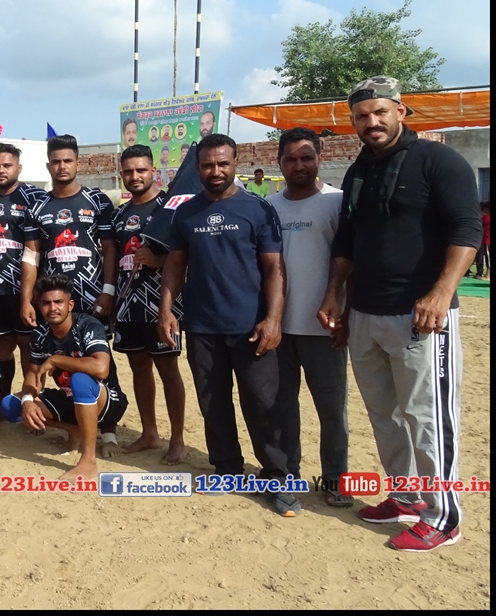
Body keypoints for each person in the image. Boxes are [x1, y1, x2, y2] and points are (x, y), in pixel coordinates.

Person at [318, 76, 481, 551]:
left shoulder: (438, 161)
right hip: (367, 312)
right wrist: (335, 295)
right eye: (362, 116)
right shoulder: (359, 171)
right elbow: (348, 239)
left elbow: (468, 228)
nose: (371, 122)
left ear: (400, 112)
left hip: (421, 313)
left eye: (380, 112)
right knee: (385, 415)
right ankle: (407, 496)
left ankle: (443, 517)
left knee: (427, 417)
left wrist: (441, 292)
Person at [157, 133, 298, 517]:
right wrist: (166, 311)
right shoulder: (186, 212)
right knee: (213, 403)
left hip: (251, 326)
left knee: (263, 403)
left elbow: (275, 268)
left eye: (223, 163)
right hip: (202, 326)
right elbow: (174, 265)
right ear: (198, 167)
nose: (215, 171)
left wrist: (274, 319)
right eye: (208, 165)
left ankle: (277, 479)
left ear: (236, 163)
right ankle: (227, 470)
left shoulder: (257, 209)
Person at [21, 134, 123, 455]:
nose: (62, 166)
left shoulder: (97, 200)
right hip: (53, 300)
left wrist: (108, 291)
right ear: (48, 165)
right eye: (56, 161)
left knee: (101, 360)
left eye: (67, 161)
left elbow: (109, 249)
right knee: (60, 359)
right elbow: (31, 256)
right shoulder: (37, 206)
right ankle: (75, 424)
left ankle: (109, 429)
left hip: (92, 298)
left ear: (78, 163)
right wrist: (27, 298)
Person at [266, 127, 352, 507]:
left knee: (332, 411)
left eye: (306, 157)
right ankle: (289, 476)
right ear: (279, 162)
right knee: (282, 408)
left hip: (325, 329)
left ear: (320, 157)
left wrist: (346, 314)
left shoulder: (337, 202)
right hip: (279, 329)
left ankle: (335, 478)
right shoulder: (268, 206)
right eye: (290, 159)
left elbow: (352, 261)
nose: (298, 165)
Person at [2, 275, 126, 481]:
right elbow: (34, 374)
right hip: (71, 398)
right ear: (39, 306)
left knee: (80, 379)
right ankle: (74, 429)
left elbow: (101, 368)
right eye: (46, 303)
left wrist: (57, 360)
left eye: (58, 302)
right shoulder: (40, 333)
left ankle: (88, 461)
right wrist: (28, 400)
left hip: (107, 402)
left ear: (70, 305)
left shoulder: (88, 325)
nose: (52, 308)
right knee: (10, 405)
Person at [111, 145, 188, 465]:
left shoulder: (170, 208)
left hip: (161, 304)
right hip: (128, 304)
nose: (135, 176)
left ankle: (178, 439)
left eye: (141, 170)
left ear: (153, 171)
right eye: (128, 171)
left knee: (168, 369)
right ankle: (149, 432)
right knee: (138, 367)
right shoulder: (119, 215)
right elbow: (114, 259)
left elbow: (187, 255)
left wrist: (158, 260)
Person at [0, 143, 49, 402]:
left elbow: (41, 244)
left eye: (7, 165)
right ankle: (2, 403)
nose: (1, 170)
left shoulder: (35, 198)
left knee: (29, 345)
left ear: (19, 168)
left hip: (24, 288)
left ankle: (31, 401)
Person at [475, 201, 489, 279]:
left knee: (485, 258)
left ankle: (486, 275)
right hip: (484, 240)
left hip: (485, 240)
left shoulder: (485, 218)